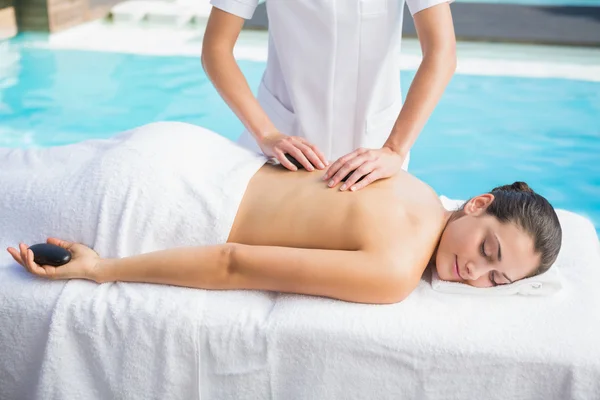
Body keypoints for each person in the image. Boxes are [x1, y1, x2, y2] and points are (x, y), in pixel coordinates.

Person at [5, 122, 562, 304]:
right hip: (150, 196)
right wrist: (100, 270)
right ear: (479, 203)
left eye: (497, 278)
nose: (475, 273)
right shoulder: (395, 274)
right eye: (487, 250)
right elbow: (233, 263)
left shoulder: (411, 182)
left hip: (183, 143)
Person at [201, 0, 457, 192]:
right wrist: (266, 134)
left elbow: (441, 53)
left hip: (375, 151)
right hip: (282, 144)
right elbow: (216, 48)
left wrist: (394, 149)